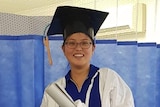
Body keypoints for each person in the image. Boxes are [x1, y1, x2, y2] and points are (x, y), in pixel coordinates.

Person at [40, 6, 135, 107]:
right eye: (72, 43)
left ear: (93, 48)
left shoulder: (109, 80)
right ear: (63, 49)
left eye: (85, 43)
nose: (78, 48)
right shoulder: (54, 92)